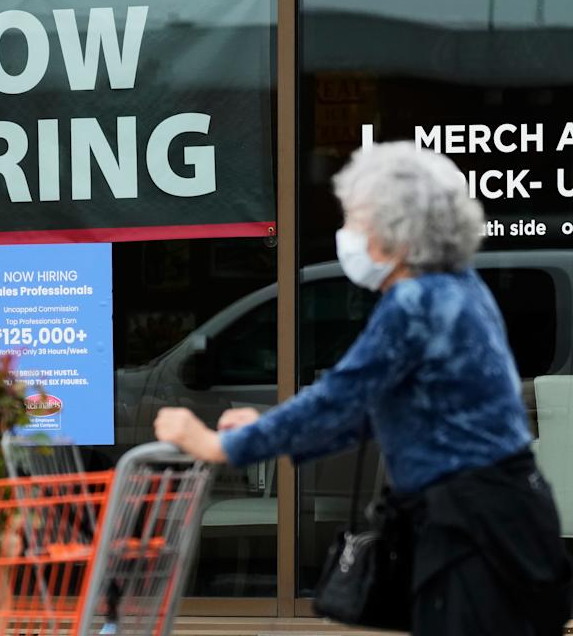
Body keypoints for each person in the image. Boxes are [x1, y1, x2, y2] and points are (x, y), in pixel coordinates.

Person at [154, 141, 573, 635]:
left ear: (397, 232)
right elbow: (374, 406)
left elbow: (342, 399)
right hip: (503, 515)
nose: (348, 235)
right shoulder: (459, 288)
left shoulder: (415, 303)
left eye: (357, 221)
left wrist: (221, 446)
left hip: (470, 527)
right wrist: (265, 426)